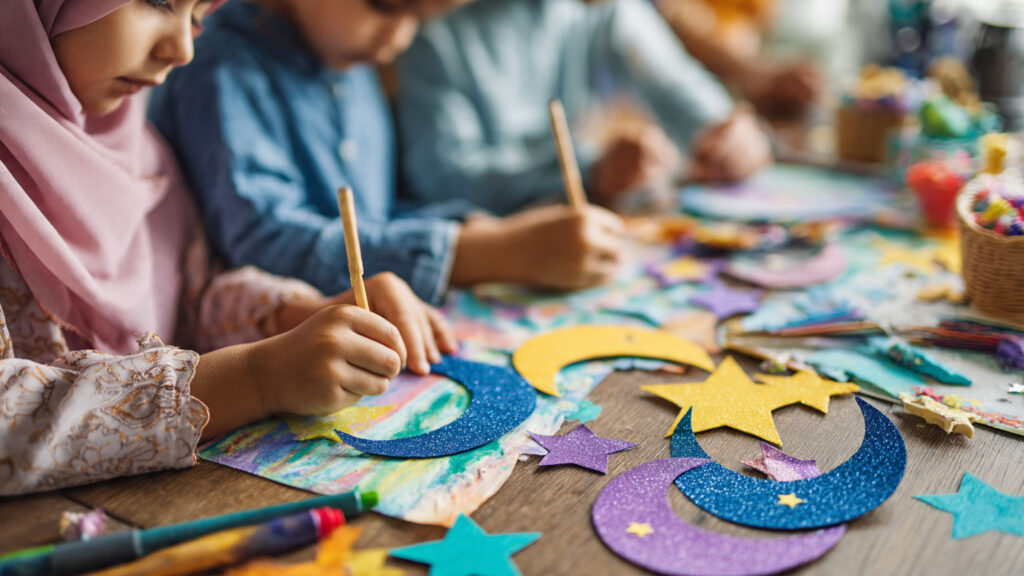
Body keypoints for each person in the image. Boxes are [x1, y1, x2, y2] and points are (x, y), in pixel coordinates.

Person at [0, 0, 455, 496]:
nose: (183, 49)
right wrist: (256, 379)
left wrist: (298, 315)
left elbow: (191, 295)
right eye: (158, 3)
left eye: (197, 15)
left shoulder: (137, 149)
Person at [150, 0, 626, 300]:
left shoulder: (353, 64)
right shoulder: (219, 67)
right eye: (385, 6)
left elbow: (369, 215)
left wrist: (475, 229)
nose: (399, 38)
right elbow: (261, 242)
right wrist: (479, 254)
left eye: (419, 19)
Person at [394, 0, 774, 217]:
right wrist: (591, 169)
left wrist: (726, 131)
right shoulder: (431, 28)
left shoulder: (599, 7)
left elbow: (681, 86)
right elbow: (440, 179)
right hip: (493, 251)